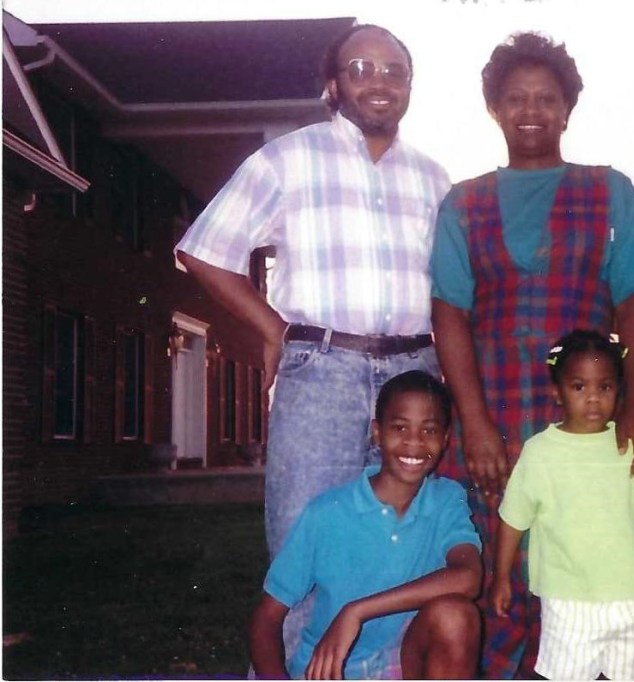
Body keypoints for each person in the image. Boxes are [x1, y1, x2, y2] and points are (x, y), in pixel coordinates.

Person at [174, 23, 450, 665]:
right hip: (322, 369)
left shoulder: (434, 179)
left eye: (394, 70)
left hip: (413, 373)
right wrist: (274, 328)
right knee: (304, 545)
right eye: (362, 68)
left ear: (410, 85)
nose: (379, 81)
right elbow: (205, 249)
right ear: (334, 84)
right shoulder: (287, 159)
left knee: (405, 547)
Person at [429, 31, 634, 678]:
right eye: (515, 98)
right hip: (496, 407)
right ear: (494, 109)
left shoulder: (609, 190)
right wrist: (473, 421)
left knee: (582, 557)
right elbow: (449, 314)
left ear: (567, 109)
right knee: (497, 558)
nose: (530, 110)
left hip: (584, 412)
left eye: (547, 98)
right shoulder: (464, 202)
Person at [248, 370, 482, 679]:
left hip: (402, 664)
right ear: (377, 433)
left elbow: (468, 577)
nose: (414, 442)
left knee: (455, 616)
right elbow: (267, 616)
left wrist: (356, 611)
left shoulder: (446, 499)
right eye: (399, 427)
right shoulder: (327, 512)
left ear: (446, 438)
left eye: (429, 430)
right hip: (333, 669)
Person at [489, 330, 634, 680]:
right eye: (579, 387)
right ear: (557, 392)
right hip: (567, 600)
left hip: (629, 600)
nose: (593, 398)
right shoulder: (540, 453)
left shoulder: (630, 449)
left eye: (604, 387)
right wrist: (501, 578)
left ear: (618, 390)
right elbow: (513, 520)